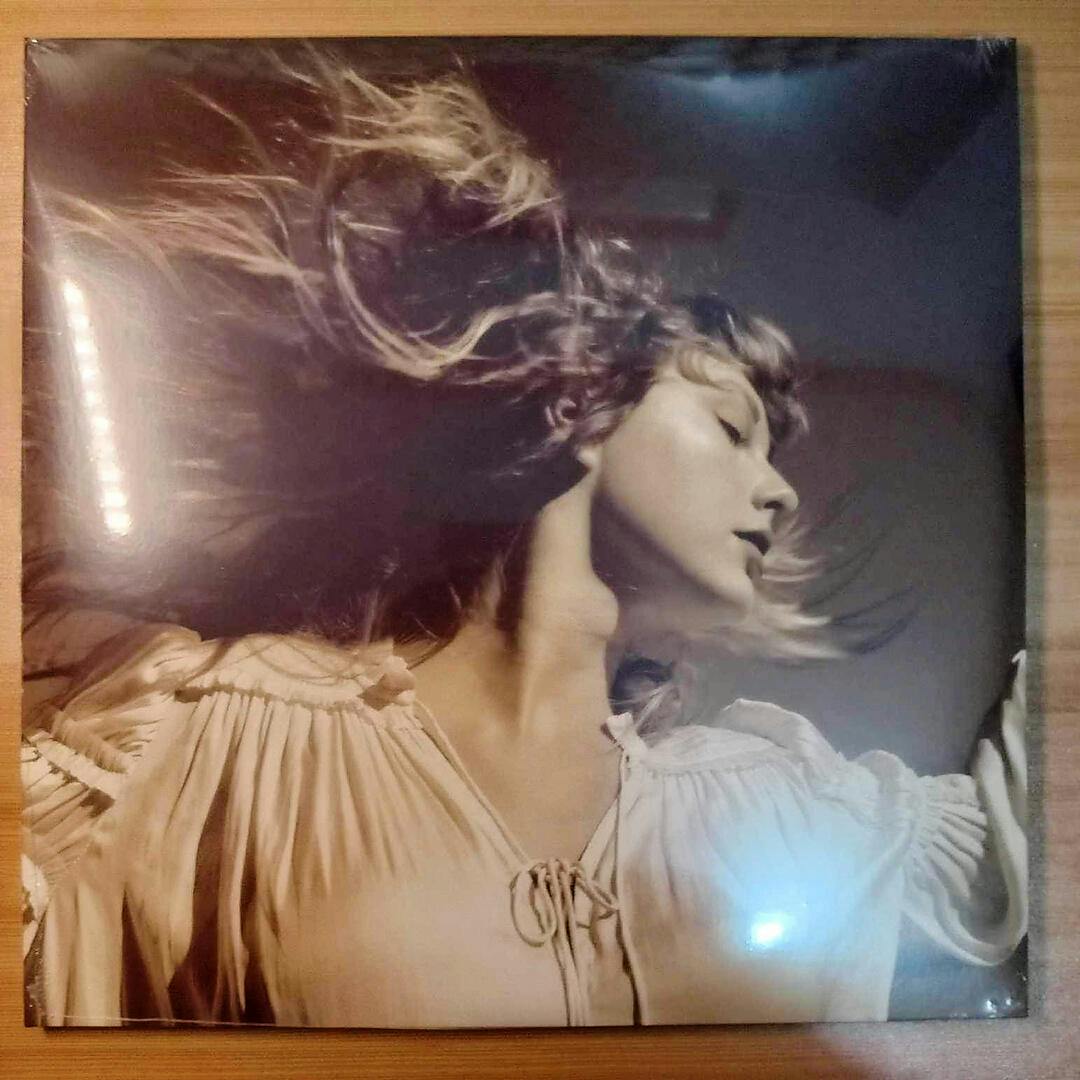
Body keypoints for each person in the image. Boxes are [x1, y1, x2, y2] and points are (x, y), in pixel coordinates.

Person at [21, 51, 1027, 1028]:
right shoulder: (229, 743)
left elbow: (1028, 821)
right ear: (581, 398)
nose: (779, 492)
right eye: (731, 428)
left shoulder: (771, 805)